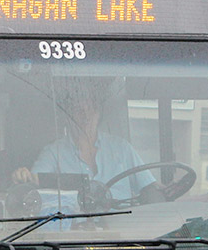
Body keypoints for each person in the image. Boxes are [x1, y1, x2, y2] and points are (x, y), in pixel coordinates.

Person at [13, 82, 160, 205]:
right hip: (75, 229)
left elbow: (150, 188)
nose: (85, 116)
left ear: (99, 113)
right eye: (78, 110)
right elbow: (34, 182)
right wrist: (23, 176)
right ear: (67, 116)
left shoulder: (122, 148)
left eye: (90, 109)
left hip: (125, 228)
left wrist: (165, 192)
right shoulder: (53, 152)